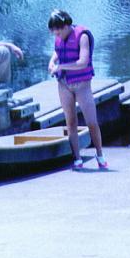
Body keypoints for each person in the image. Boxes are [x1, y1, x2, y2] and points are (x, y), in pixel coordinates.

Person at [47, 9, 108, 170]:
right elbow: (57, 51)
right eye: (54, 32)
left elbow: (83, 62)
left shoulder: (82, 36)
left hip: (82, 84)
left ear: (67, 25)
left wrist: (61, 66)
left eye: (59, 31)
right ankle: (77, 158)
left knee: (91, 122)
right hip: (64, 84)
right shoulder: (59, 37)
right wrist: (52, 62)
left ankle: (100, 155)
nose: (57, 34)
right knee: (71, 122)